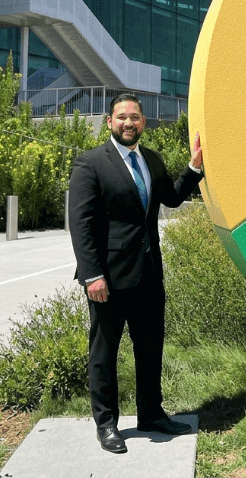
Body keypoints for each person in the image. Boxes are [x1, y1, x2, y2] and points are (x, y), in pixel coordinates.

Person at [68, 93, 203, 454]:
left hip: (148, 275)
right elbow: (80, 225)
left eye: (135, 117)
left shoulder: (152, 160)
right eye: (122, 117)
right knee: (103, 352)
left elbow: (171, 199)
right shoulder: (91, 163)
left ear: (143, 122)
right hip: (107, 280)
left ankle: (151, 414)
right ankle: (107, 424)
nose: (129, 122)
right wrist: (91, 275)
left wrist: (194, 168)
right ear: (110, 122)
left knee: (149, 348)